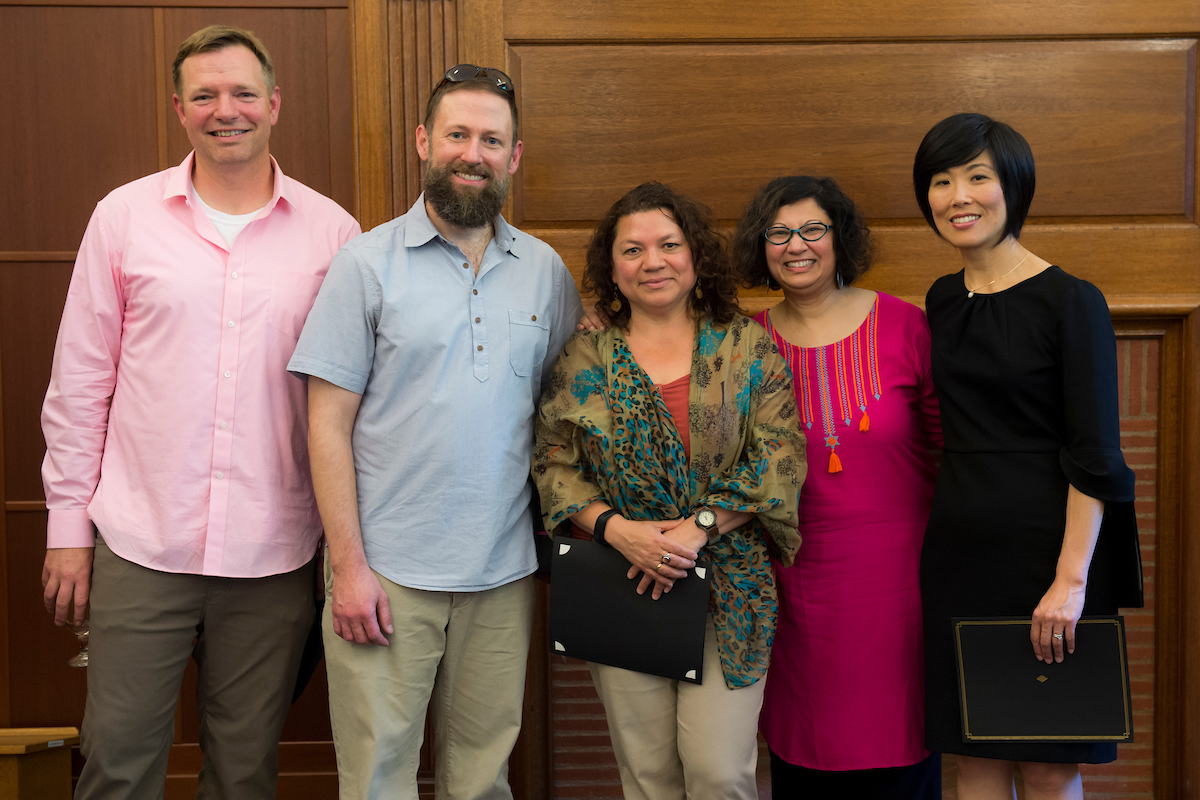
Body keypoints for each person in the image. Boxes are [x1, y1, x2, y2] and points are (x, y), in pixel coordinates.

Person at [39, 25, 360, 800]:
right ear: (179, 108)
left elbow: (357, 399)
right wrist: (67, 532)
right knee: (116, 760)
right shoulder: (123, 218)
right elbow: (80, 383)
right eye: (206, 95)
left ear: (274, 104)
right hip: (141, 543)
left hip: (274, 552)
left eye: (244, 93)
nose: (228, 110)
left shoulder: (334, 235)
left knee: (245, 772)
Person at [289, 64, 582, 800]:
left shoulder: (545, 272)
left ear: (514, 156)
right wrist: (348, 569)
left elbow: (566, 415)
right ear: (425, 141)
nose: (472, 152)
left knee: (483, 778)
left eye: (491, 139)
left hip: (504, 575)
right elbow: (325, 425)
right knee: (378, 779)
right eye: (457, 134)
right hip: (385, 573)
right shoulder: (365, 265)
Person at [532, 181, 805, 800]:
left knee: (717, 772)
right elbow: (552, 459)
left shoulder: (746, 346)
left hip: (728, 585)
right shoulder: (587, 355)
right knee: (648, 777)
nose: (652, 262)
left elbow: (780, 454)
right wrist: (617, 531)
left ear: (696, 256)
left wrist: (696, 531)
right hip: (621, 579)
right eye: (632, 250)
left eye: (668, 245)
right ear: (613, 268)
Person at [914, 112, 1142, 799]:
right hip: (960, 552)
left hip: (1053, 555)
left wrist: (1069, 583)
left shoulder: (1070, 301)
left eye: (977, 177)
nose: (959, 196)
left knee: (1048, 762)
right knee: (973, 753)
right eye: (942, 181)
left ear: (1013, 186)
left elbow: (1095, 455)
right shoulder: (943, 300)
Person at [732, 175, 943, 798]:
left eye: (812, 229)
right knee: (806, 759)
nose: (796, 245)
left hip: (904, 588)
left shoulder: (908, 327)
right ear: (761, 246)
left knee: (905, 755)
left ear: (840, 238)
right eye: (778, 233)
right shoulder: (744, 344)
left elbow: (954, 452)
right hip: (794, 592)